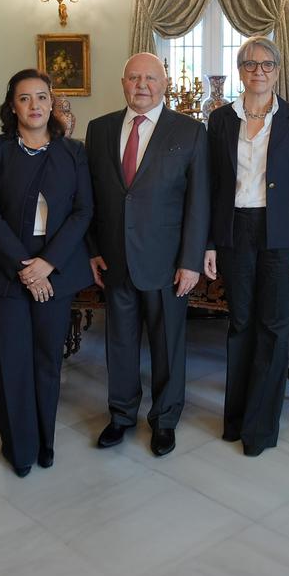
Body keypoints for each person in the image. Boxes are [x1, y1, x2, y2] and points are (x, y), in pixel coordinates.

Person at [0, 69, 92, 476]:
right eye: (25, 98)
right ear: (12, 106)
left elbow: (82, 211)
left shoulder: (73, 152)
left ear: (52, 103)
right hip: (5, 272)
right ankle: (19, 447)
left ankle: (44, 441)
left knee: (45, 360)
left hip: (54, 270)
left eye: (42, 97)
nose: (35, 105)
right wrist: (26, 268)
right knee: (8, 360)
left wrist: (47, 265)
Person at [85, 53, 210, 457]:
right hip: (115, 260)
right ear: (123, 82)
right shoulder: (99, 129)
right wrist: (92, 250)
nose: (142, 85)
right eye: (135, 78)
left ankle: (165, 419)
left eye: (151, 78)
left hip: (168, 263)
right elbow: (89, 197)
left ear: (165, 83)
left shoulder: (190, 132)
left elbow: (199, 202)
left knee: (167, 346)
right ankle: (121, 415)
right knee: (118, 344)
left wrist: (191, 260)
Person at [202, 36, 289, 456]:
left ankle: (261, 427)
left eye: (267, 65)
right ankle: (235, 419)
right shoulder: (219, 120)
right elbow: (212, 187)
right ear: (240, 70)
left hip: (280, 234)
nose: (259, 72)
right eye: (250, 64)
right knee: (240, 323)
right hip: (234, 231)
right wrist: (210, 242)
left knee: (274, 326)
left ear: (277, 71)